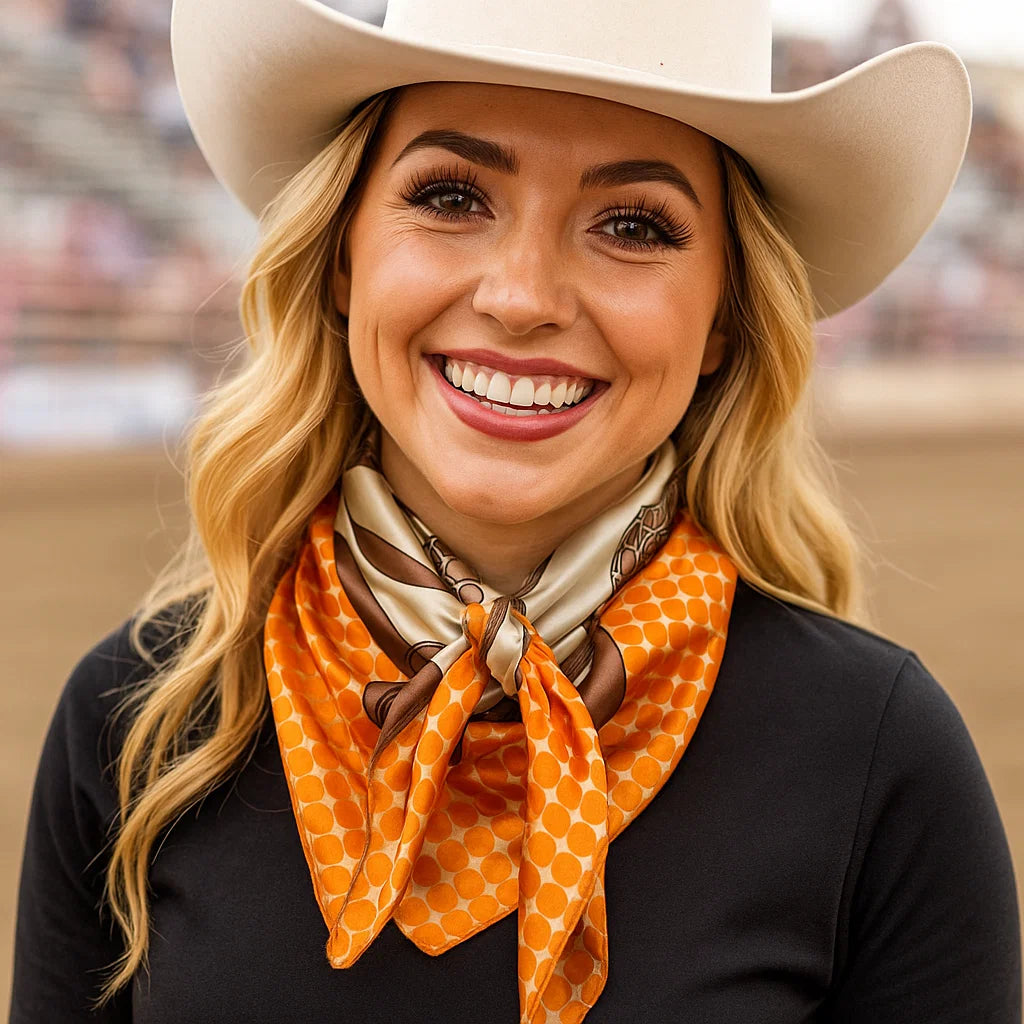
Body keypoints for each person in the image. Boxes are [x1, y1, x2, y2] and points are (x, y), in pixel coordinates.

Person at [10, 0, 1022, 1020]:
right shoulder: (135, 725)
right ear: (343, 255)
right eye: (451, 197)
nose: (522, 294)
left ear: (723, 314)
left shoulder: (877, 763)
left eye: (631, 225)